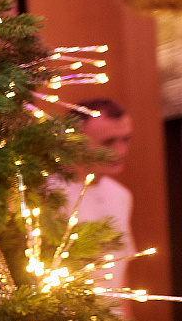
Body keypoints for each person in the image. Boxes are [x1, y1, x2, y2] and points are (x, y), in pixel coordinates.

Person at [51, 98, 135, 299]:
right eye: (108, 142)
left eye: (125, 139)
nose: (120, 151)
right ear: (75, 141)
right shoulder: (49, 193)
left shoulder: (120, 195)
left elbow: (119, 271)